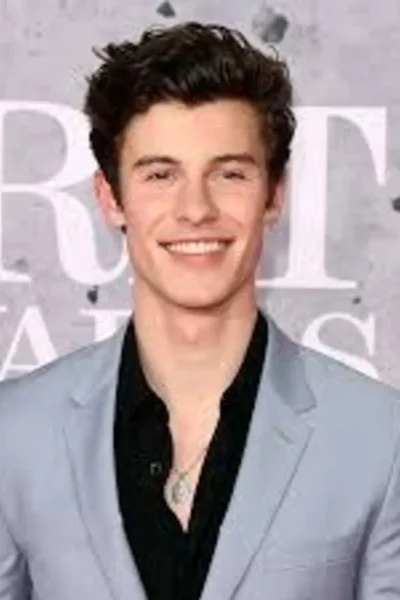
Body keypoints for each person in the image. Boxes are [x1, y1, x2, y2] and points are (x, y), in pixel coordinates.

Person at [0, 21, 399, 600]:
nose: (196, 209)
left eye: (229, 173)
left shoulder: (381, 439)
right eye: (161, 174)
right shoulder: (14, 432)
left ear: (274, 194)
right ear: (111, 198)